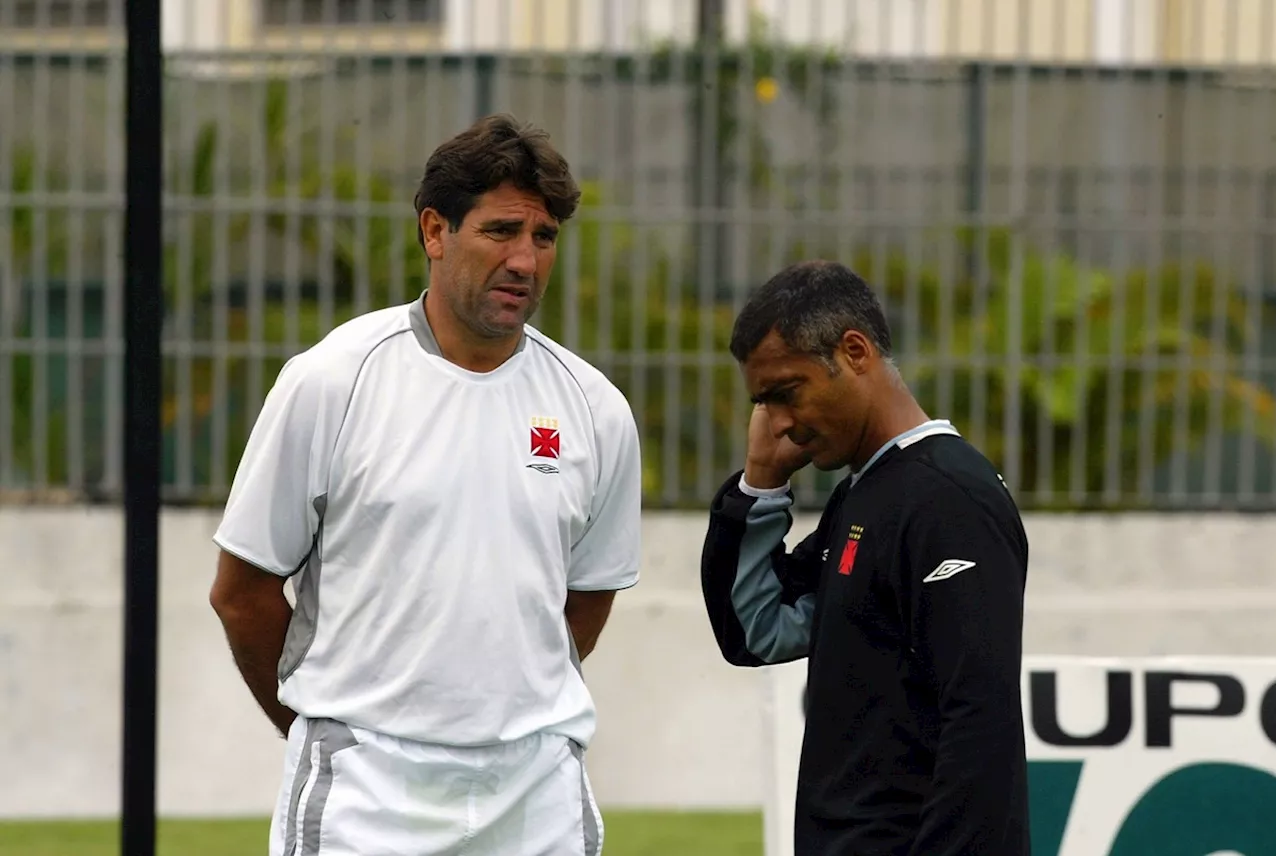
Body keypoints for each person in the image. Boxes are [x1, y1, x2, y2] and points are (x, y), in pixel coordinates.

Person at [209, 114, 641, 856]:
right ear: (435, 231)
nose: (525, 262)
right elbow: (241, 592)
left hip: (535, 792)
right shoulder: (332, 381)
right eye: (501, 231)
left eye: (543, 239)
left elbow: (589, 598)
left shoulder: (594, 408)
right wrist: (324, 721)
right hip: (364, 794)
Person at [700, 260, 1031, 856]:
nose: (777, 423)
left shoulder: (948, 498)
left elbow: (980, 722)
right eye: (762, 403)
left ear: (855, 352)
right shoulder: (867, 492)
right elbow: (755, 631)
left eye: (785, 393)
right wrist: (760, 485)